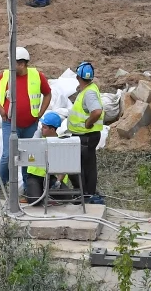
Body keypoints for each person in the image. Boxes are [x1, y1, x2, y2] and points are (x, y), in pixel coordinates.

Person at [0, 47, 51, 197]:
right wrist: (1, 109)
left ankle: (28, 188)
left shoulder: (37, 76)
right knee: (8, 155)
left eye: (13, 63)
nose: (10, 66)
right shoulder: (5, 76)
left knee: (28, 156)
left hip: (30, 124)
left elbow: (47, 94)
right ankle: (1, 184)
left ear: (22, 64)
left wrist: (40, 112)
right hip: (10, 123)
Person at [68, 62, 105, 204]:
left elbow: (96, 111)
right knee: (87, 165)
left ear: (78, 77)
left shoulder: (88, 93)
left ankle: (84, 194)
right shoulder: (88, 89)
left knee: (82, 166)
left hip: (86, 136)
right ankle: (87, 193)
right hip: (86, 136)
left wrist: (88, 123)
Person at [25, 111, 66, 203]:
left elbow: (64, 165)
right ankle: (37, 193)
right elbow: (28, 151)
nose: (41, 129)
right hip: (35, 176)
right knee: (34, 200)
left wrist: (58, 182)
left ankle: (47, 194)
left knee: (66, 196)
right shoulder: (38, 140)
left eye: (44, 127)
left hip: (51, 177)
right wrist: (35, 139)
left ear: (52, 130)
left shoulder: (61, 143)